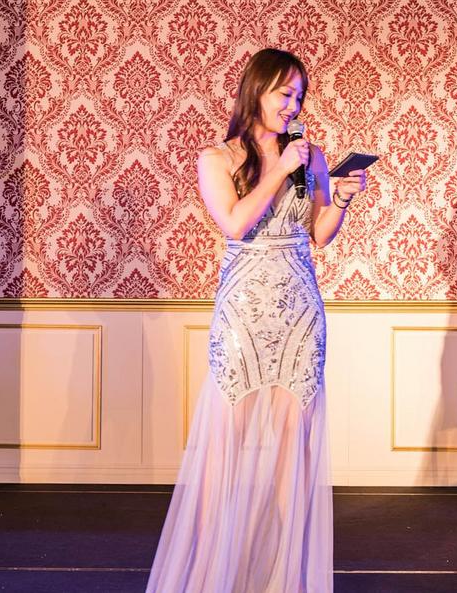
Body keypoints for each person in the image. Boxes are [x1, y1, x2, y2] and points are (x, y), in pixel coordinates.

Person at [146, 48, 366, 592]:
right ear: (256, 91)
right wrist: (279, 170)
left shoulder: (310, 155)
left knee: (295, 445)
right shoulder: (216, 158)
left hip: (300, 311)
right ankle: (215, 571)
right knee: (226, 443)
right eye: (284, 94)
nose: (293, 106)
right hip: (243, 312)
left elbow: (318, 235)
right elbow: (235, 225)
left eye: (299, 96)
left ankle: (279, 576)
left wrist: (339, 199)